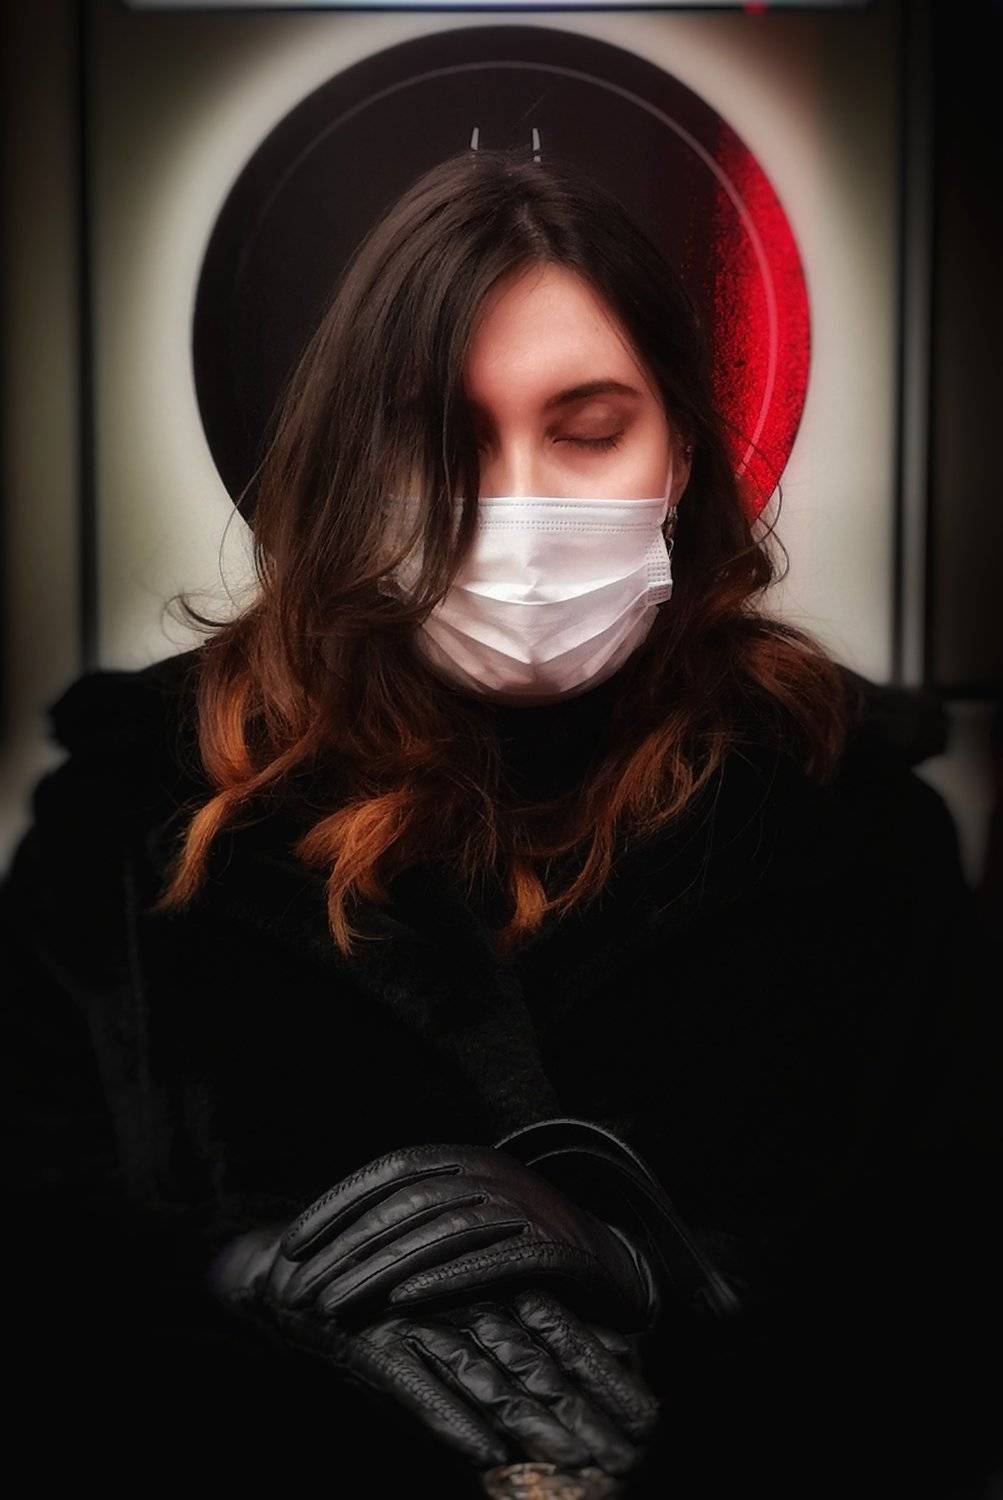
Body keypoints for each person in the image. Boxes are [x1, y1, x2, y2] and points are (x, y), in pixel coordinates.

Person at [3, 146, 1000, 1499]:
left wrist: (662, 1262)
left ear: (681, 453)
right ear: (353, 468)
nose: (515, 502)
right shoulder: (131, 816)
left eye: (588, 432)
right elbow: (40, 1259)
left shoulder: (857, 826)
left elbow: (941, 1315)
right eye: (444, 442)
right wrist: (245, 1273)